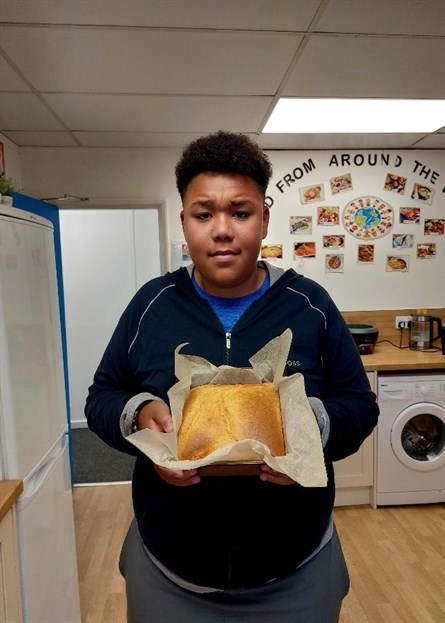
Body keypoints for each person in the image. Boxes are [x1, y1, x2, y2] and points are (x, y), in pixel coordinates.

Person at [85, 130, 379, 623]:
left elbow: (360, 405)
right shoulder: (150, 306)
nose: (222, 230)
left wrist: (308, 432)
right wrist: (138, 414)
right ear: (185, 222)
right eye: (204, 214)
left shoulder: (310, 306)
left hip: (296, 575)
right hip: (169, 575)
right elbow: (101, 398)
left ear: (264, 219)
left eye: (240, 213)